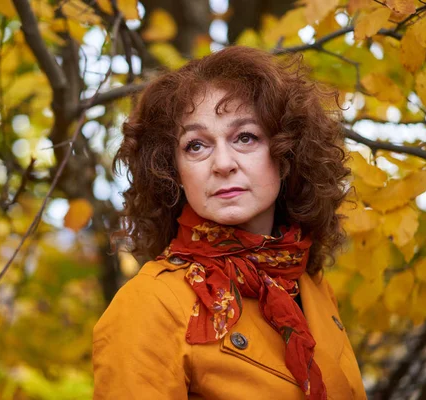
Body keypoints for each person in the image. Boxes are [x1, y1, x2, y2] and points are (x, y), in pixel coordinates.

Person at [92, 46, 366, 400]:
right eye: (196, 146)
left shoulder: (308, 284)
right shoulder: (150, 303)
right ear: (173, 172)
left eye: (245, 137)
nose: (223, 163)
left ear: (285, 154)